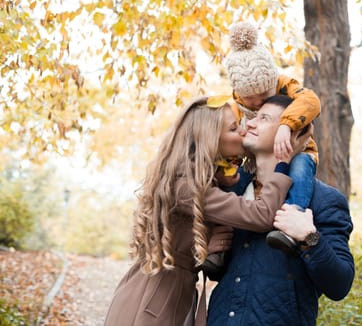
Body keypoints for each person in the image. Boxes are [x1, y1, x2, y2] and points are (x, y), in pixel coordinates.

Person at [103, 96, 309, 326]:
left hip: (164, 294)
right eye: (233, 128)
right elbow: (260, 215)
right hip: (152, 301)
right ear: (210, 139)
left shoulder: (197, 178)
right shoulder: (187, 186)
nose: (242, 131)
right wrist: (282, 164)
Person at [207, 95, 355, 326]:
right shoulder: (232, 189)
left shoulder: (324, 200)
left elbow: (340, 284)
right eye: (254, 118)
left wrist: (309, 237)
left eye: (264, 119)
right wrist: (208, 247)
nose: (251, 124)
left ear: (292, 132)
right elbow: (223, 272)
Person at [224, 21, 322, 252]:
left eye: (264, 94)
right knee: (232, 182)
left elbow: (310, 101)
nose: (258, 103)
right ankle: (220, 243)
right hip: (252, 159)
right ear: (239, 93)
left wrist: (286, 125)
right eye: (250, 98)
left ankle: (290, 221)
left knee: (300, 166)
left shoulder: (286, 85)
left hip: (298, 150)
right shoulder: (235, 106)